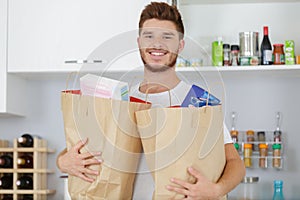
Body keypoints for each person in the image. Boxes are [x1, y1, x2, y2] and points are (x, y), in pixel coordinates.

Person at [57, 2, 246, 199]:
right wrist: (63, 162)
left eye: (167, 37)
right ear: (139, 42)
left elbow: (235, 163)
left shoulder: (198, 102)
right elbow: (83, 147)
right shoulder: (120, 100)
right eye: (149, 36)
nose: (157, 44)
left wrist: (216, 190)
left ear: (180, 45)